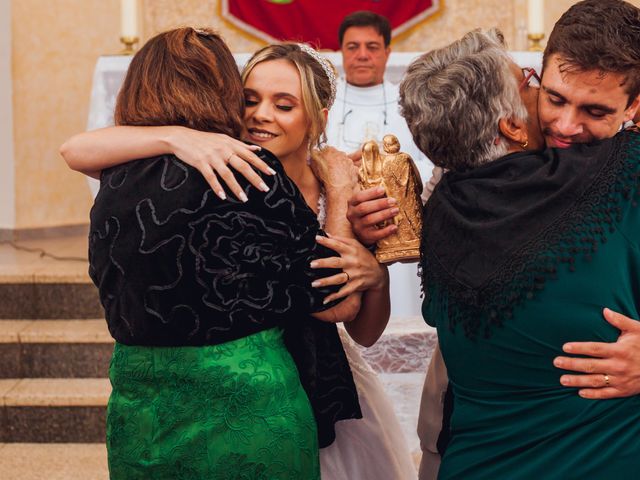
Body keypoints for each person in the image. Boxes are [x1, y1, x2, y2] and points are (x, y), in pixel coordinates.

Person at [61, 38, 417, 479]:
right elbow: (75, 149)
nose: (260, 114)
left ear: (317, 118)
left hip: (323, 383)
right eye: (249, 100)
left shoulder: (346, 188)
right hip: (253, 391)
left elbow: (362, 329)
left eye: (284, 105)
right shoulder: (211, 165)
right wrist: (182, 138)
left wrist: (375, 277)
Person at [346, 1, 640, 477]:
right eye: (553, 97)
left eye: (595, 110)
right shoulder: (450, 191)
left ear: (634, 105)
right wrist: (371, 232)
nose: (565, 126)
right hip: (476, 430)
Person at [326, 9, 432, 317]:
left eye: (371, 47)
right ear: (340, 52)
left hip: (399, 222)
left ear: (387, 52)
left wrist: (387, 177)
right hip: (341, 224)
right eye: (352, 47)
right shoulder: (324, 103)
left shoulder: (411, 104)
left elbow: (431, 162)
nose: (362, 55)